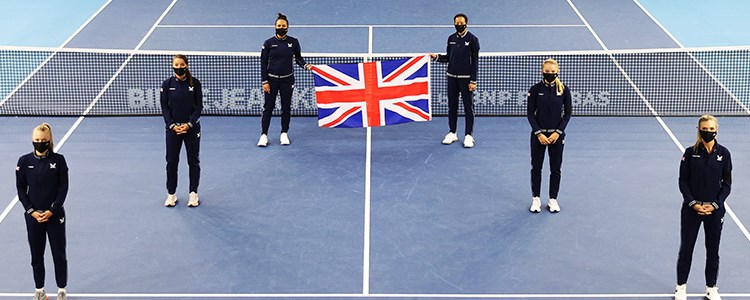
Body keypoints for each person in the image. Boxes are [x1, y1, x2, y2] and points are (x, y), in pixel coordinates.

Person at [675, 115, 732, 300]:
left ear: (717, 130)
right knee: (686, 249)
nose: (708, 132)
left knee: (713, 250)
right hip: (691, 210)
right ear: (698, 129)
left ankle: (711, 288)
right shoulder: (690, 153)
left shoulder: (724, 153)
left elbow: (727, 184)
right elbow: (683, 181)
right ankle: (681, 287)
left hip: (714, 211)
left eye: (711, 129)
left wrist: (715, 205)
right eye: (704, 129)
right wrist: (693, 203)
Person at [16, 123, 69, 300]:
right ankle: (40, 290)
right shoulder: (24, 162)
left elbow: (63, 188)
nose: (40, 143)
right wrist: (31, 211)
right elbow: (21, 189)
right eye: (37, 140)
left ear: (50, 140)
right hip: (33, 217)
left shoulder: (59, 160)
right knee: (36, 255)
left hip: (55, 216)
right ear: (33, 140)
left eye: (44, 140)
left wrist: (53, 210)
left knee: (59, 254)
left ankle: (61, 290)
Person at [258, 13, 312, 147]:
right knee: (268, 108)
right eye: (278, 26)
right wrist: (265, 81)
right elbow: (263, 62)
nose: (281, 27)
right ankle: (264, 135)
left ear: (287, 27)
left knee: (286, 108)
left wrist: (305, 65)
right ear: (275, 27)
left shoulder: (293, 42)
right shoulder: (268, 43)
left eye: (283, 26)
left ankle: (284, 133)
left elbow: (298, 58)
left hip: (287, 81)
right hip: (271, 81)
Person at [526, 58, 572, 213]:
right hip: (538, 136)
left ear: (557, 72)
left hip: (556, 137)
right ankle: (536, 199)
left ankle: (553, 199)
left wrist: (558, 133)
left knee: (555, 169)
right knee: (536, 168)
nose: (550, 74)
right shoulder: (535, 89)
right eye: (547, 72)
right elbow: (530, 114)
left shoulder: (564, 90)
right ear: (542, 72)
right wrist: (538, 133)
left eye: (553, 72)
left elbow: (568, 113)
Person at [429, 13, 480, 148]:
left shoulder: (473, 40)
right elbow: (448, 57)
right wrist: (436, 57)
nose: (459, 25)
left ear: (466, 23)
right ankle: (452, 133)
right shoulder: (451, 39)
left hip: (466, 79)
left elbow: (475, 61)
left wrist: (473, 81)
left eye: (461, 23)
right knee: (452, 107)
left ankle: (469, 135)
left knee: (468, 108)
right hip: (451, 78)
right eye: (456, 23)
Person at [160, 54, 203, 207]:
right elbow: (164, 107)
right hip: (173, 130)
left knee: (193, 161)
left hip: (191, 129)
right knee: (171, 162)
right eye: (176, 65)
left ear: (186, 65)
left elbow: (199, 107)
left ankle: (193, 193)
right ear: (173, 66)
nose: (179, 67)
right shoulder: (166, 84)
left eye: (181, 64)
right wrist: (172, 125)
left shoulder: (195, 84)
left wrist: (189, 124)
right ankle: (171, 194)